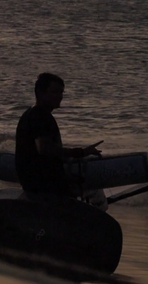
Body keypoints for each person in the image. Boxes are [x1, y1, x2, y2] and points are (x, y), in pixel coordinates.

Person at [15, 73, 104, 206]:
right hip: (43, 186)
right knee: (93, 192)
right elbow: (45, 149)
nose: (59, 96)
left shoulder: (30, 113)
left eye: (61, 92)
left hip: (32, 182)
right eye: (54, 92)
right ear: (40, 92)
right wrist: (80, 152)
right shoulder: (41, 117)